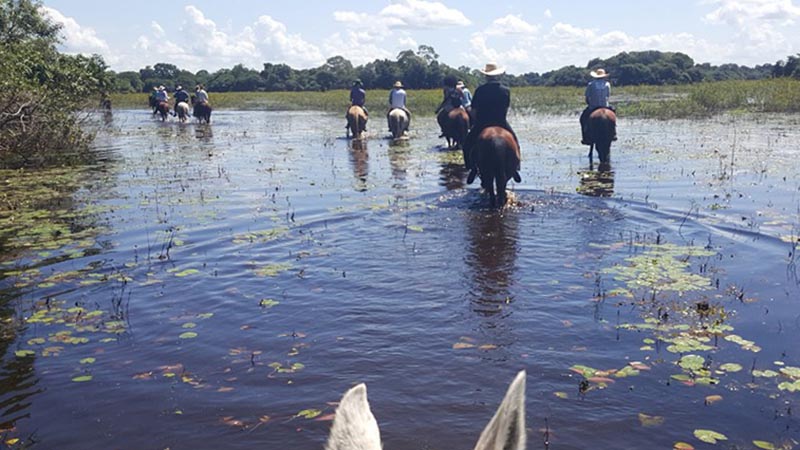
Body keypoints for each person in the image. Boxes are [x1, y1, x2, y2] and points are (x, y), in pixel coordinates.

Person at [462, 63, 519, 180]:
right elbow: (505, 108)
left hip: (482, 123)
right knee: (516, 143)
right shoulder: (506, 90)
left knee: (467, 145)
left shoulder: (480, 90)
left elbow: (474, 110)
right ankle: (515, 168)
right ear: (498, 75)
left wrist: (475, 120)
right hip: (501, 122)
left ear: (486, 76)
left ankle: (472, 168)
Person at [580, 68, 615, 145]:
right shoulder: (607, 84)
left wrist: (589, 103)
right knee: (613, 113)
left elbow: (587, 97)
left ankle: (585, 137)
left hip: (593, 107)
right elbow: (607, 96)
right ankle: (614, 133)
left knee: (583, 118)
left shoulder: (590, 84)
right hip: (605, 106)